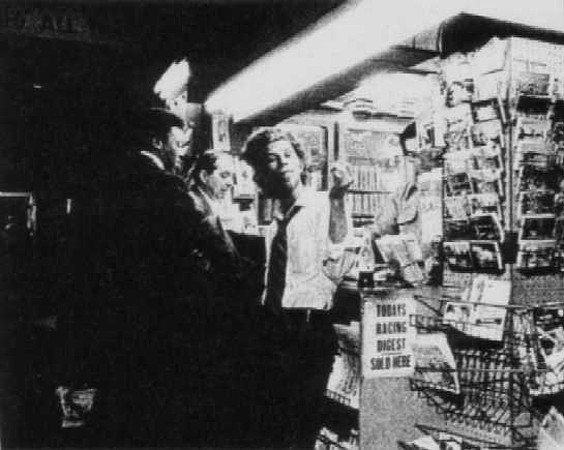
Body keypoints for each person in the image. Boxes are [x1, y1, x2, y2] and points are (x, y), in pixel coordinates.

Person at [242, 127, 354, 449]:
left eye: (288, 156)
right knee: (271, 425)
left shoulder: (323, 205)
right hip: (271, 327)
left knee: (301, 425)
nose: (284, 164)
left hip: (307, 331)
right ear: (262, 173)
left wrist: (338, 198)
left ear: (301, 161)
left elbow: (340, 245)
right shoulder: (274, 217)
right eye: (273, 160)